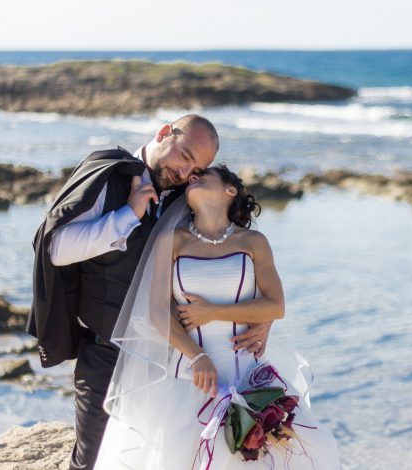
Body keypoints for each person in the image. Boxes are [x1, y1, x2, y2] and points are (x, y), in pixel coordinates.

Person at [27, 115, 273, 470]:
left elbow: (236, 257)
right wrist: (129, 214)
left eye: (196, 167)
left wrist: (259, 317)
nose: (186, 170)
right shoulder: (108, 173)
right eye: (184, 155)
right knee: (94, 457)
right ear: (163, 134)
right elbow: (56, 248)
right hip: (106, 352)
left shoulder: (190, 196)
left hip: (172, 361)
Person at [94, 165, 340, 469]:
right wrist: (197, 357)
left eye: (203, 176)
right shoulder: (172, 242)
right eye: (191, 178)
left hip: (246, 374)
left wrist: (212, 312)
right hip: (189, 377)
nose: (193, 179)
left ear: (230, 190)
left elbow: (275, 305)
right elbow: (157, 311)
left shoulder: (253, 242)